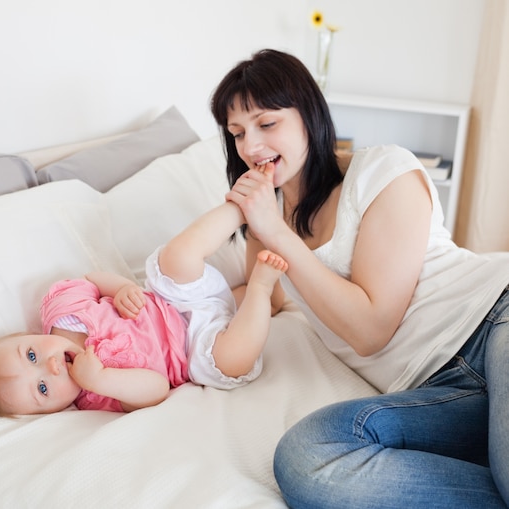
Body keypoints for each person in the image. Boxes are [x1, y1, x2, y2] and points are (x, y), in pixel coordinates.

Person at [210, 48, 509, 508]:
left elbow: (371, 329)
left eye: (267, 124)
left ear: (309, 116)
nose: (250, 147)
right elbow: (260, 295)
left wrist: (274, 232)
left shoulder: (384, 172)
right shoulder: (269, 218)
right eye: (237, 133)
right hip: (439, 388)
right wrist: (169, 312)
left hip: (493, 320)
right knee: (308, 460)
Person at [0, 200, 288, 418]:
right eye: (43, 388)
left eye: (31, 355)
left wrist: (121, 289)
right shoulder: (94, 396)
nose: (51, 366)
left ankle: (244, 207)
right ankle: (261, 291)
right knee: (231, 360)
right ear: (53, 411)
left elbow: (91, 279)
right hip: (197, 348)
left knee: (173, 259)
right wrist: (102, 378)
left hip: (174, 300)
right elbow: (157, 388)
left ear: (27, 334)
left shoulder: (62, 310)